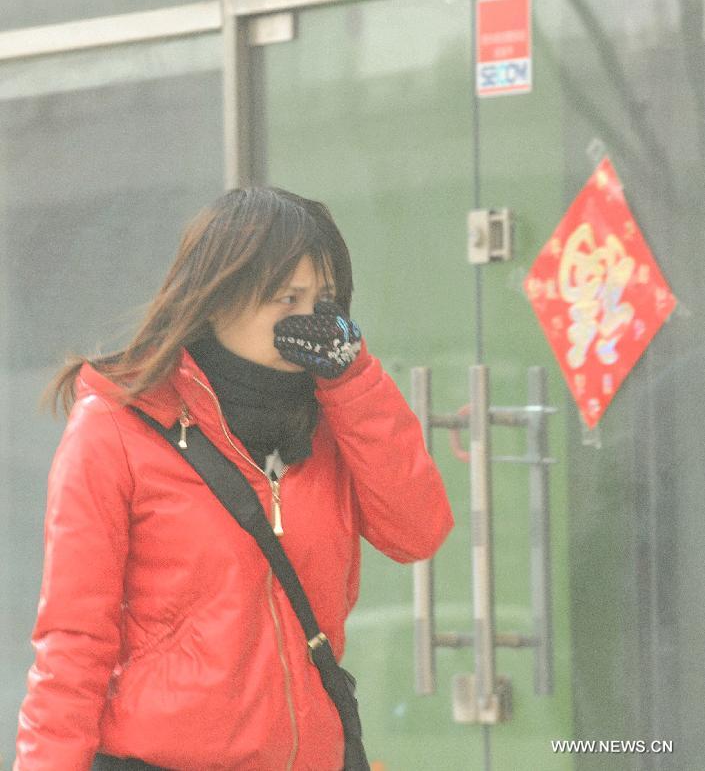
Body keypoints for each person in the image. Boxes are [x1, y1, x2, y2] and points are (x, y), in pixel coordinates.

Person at [14, 186, 454, 771]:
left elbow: (417, 531)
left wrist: (354, 380)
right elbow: (73, 644)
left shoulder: (333, 419)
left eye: (325, 300)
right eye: (285, 298)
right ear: (219, 300)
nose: (311, 321)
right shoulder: (118, 427)